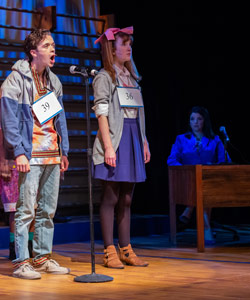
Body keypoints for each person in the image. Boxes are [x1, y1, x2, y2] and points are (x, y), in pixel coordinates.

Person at [0, 29, 70, 279]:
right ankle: (21, 261)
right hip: (30, 155)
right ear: (33, 51)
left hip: (52, 152)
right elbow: (8, 120)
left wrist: (64, 150)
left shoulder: (54, 81)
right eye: (48, 45)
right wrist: (18, 152)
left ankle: (42, 257)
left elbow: (59, 119)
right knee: (26, 210)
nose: (53, 49)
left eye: (53, 45)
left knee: (48, 210)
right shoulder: (15, 80)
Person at [92, 26, 150, 269]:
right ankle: (108, 250)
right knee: (111, 196)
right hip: (115, 138)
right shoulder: (105, 77)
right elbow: (102, 113)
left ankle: (126, 248)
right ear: (111, 48)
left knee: (127, 197)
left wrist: (144, 140)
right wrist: (108, 146)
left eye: (130, 44)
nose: (128, 48)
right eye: (123, 43)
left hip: (133, 137)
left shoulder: (132, 77)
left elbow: (139, 113)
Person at [167, 106, 229, 244]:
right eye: (192, 119)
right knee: (200, 186)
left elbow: (223, 162)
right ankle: (206, 229)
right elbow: (171, 160)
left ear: (205, 121)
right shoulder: (181, 139)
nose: (195, 122)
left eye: (199, 119)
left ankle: (189, 209)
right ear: (189, 122)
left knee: (205, 186)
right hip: (186, 181)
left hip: (210, 181)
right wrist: (187, 170)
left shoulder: (215, 140)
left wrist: (211, 168)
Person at [0, 94, 34, 260]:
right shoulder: (6, 101)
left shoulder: (32, 96)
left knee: (33, 206)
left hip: (32, 157)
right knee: (15, 207)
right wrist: (3, 161)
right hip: (12, 159)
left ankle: (30, 247)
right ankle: (15, 248)